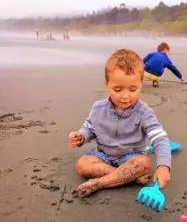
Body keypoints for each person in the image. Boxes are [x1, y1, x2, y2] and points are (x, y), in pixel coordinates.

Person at [68, 49, 171, 197]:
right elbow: (89, 128)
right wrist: (81, 136)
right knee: (82, 164)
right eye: (117, 89)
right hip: (103, 156)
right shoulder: (98, 108)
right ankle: (124, 177)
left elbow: (160, 138)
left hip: (131, 157)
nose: (125, 96)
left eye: (133, 89)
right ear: (107, 84)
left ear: (141, 84)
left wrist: (164, 165)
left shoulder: (144, 113)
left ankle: (99, 183)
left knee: (144, 163)